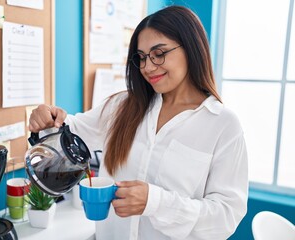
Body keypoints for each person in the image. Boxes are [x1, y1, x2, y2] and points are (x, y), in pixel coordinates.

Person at [29, 5, 248, 240]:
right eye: (141, 57)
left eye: (159, 53)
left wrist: (155, 202)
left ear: (191, 48)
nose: (147, 67)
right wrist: (47, 119)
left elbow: (226, 217)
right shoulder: (122, 106)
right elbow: (69, 134)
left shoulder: (223, 125)